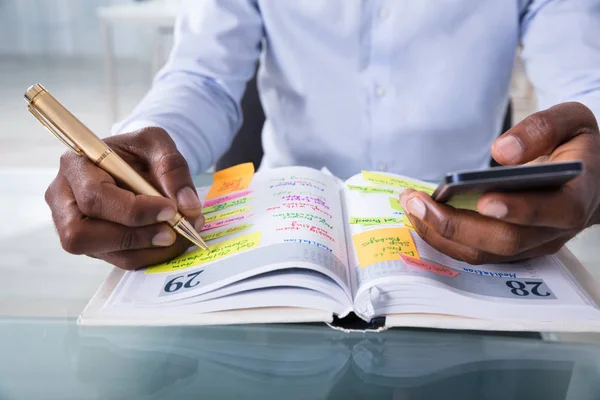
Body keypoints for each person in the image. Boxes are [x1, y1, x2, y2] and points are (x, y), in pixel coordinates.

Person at [44, 1, 600, 270]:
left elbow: (585, 81)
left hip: (471, 238)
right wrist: (143, 150)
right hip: (286, 238)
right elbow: (203, 76)